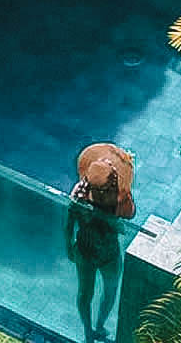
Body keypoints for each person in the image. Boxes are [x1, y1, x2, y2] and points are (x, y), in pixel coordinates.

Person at [65, 143, 135, 342]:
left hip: (101, 250)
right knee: (86, 292)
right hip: (92, 250)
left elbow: (129, 213)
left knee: (109, 290)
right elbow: (69, 223)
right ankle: (89, 330)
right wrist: (68, 245)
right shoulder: (80, 193)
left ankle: (99, 325)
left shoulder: (119, 194)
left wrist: (69, 245)